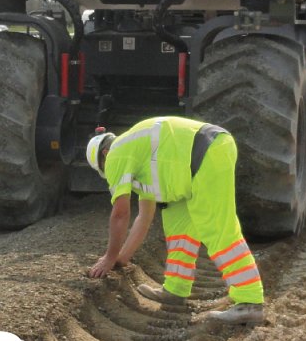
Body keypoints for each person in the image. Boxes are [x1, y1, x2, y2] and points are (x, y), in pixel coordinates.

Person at [86, 116, 265, 324]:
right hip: (192, 168)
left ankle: (250, 301)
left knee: (217, 228)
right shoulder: (138, 155)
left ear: (104, 154)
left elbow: (120, 214)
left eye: (105, 169)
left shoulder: (117, 153)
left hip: (207, 153)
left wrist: (109, 257)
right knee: (177, 227)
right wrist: (121, 259)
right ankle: (176, 290)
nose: (110, 175)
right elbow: (144, 217)